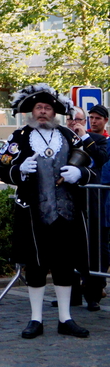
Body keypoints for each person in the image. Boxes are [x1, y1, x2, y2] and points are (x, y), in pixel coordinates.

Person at [0, 83, 94, 339]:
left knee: (64, 265)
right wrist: (19, 171)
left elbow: (92, 166)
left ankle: (65, 318)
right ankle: (35, 319)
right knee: (35, 266)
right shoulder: (19, 137)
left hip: (67, 212)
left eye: (47, 108)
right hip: (33, 213)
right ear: (31, 110)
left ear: (54, 112)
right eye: (38, 107)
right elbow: (0, 167)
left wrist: (79, 173)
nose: (43, 112)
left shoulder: (69, 136)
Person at [67, 106, 109, 310]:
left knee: (94, 246)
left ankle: (92, 295)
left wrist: (84, 137)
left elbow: (100, 158)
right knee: (71, 246)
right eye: (89, 118)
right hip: (72, 198)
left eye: (95, 118)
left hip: (93, 200)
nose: (93, 121)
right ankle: (71, 294)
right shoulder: (67, 139)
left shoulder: (100, 140)